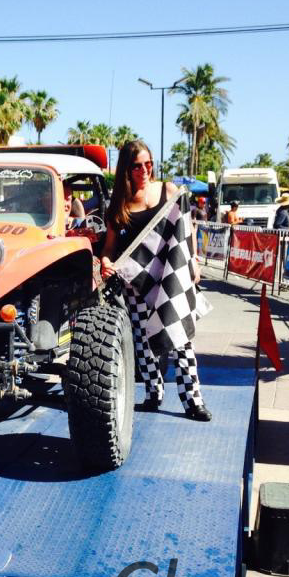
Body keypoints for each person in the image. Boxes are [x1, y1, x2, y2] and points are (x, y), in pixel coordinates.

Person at [100, 140, 211, 422]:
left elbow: (186, 229)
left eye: (148, 164)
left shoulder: (168, 191)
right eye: (137, 166)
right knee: (143, 339)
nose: (144, 170)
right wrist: (105, 262)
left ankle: (193, 401)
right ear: (127, 169)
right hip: (136, 283)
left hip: (170, 276)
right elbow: (109, 249)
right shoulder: (119, 204)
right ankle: (153, 392)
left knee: (182, 338)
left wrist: (193, 261)